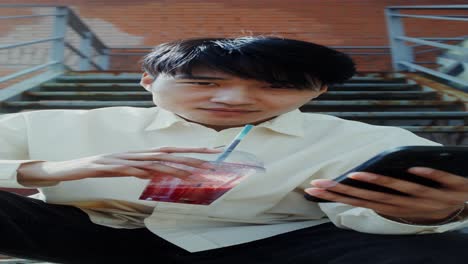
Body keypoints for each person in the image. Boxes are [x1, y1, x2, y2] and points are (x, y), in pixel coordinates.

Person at [0, 36, 467, 264]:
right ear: (148, 81)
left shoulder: (375, 142)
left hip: (270, 242)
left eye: (274, 86)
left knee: (447, 250)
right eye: (204, 82)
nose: (234, 99)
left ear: (318, 91)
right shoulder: (54, 123)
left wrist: (431, 213)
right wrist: (50, 169)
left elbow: (363, 220)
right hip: (93, 230)